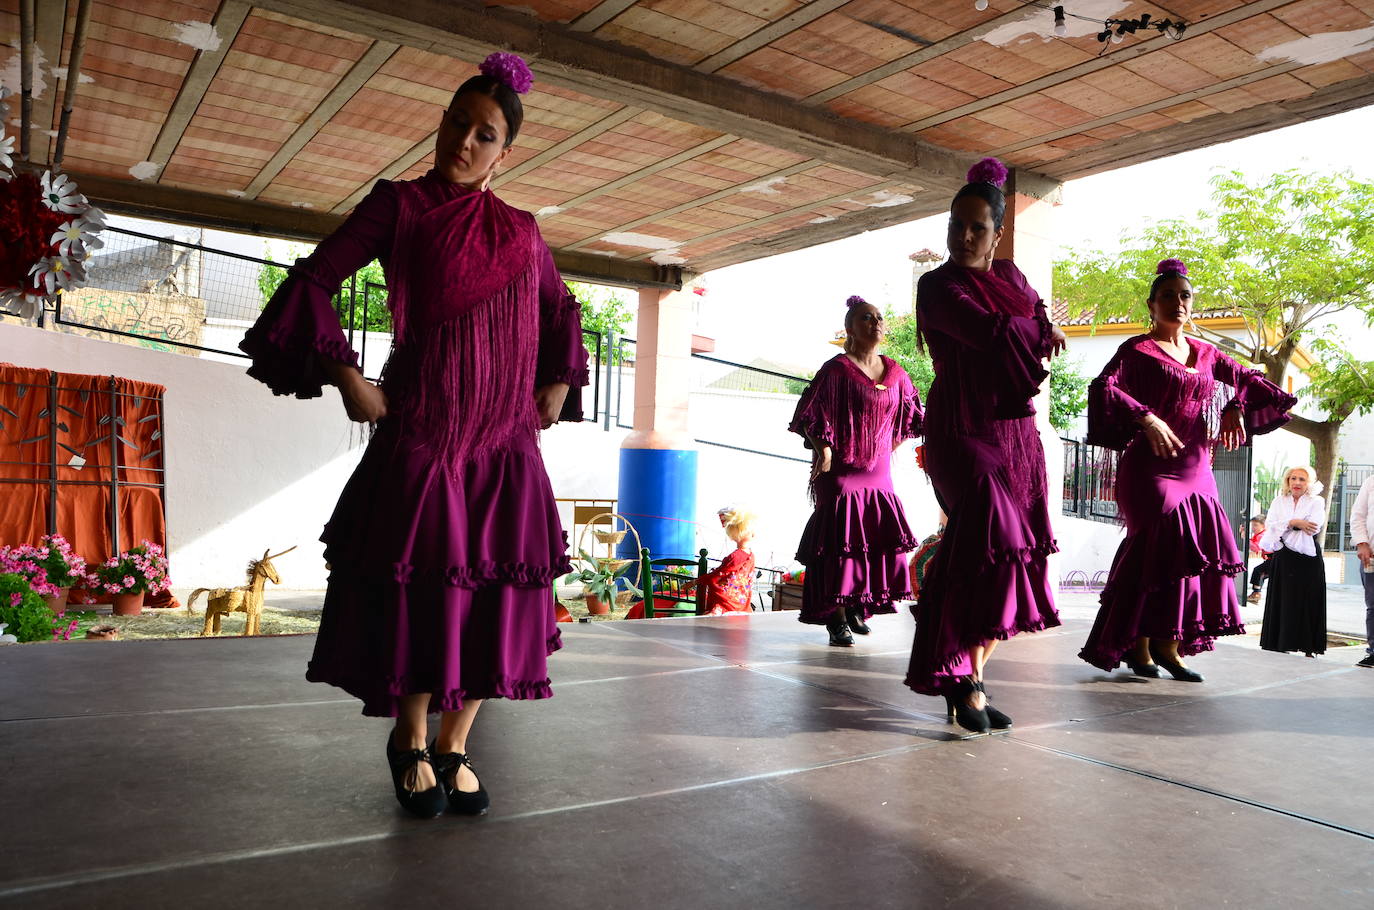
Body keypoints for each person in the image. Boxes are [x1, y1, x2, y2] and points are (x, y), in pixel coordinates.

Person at [239, 53, 588, 818]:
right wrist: (346, 375)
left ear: (506, 152)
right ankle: (410, 739)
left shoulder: (525, 232)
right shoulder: (397, 205)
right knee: (424, 595)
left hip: (503, 443)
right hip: (426, 432)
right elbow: (313, 280)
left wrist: (557, 385)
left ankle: (456, 745)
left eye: (484, 134)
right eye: (456, 123)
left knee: (492, 596)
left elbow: (562, 310)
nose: (464, 141)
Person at [903, 157, 1066, 734]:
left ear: (998, 234)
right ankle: (956, 676)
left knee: (1009, 559)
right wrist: (1041, 330)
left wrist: (1043, 326)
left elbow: (1036, 319)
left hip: (1017, 436)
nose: (964, 236)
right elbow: (996, 333)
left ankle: (970, 681)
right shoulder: (938, 285)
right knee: (994, 537)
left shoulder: (1014, 276)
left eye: (977, 227)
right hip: (961, 429)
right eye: (956, 225)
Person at [1079, 259, 1295, 681]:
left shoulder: (1208, 353)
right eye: (1167, 296)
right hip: (1149, 465)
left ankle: (1169, 646)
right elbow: (1103, 387)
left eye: (1184, 296)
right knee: (1157, 546)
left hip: (1197, 462)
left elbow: (1251, 379)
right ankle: (1138, 645)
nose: (1177, 302)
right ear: (1151, 305)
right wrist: (1146, 417)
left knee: (1194, 551)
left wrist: (1234, 406)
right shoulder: (1137, 350)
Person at [789, 295, 923, 647]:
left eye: (879, 317)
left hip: (878, 471)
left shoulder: (896, 372)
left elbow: (911, 417)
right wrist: (826, 451)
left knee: (873, 538)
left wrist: (885, 447)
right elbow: (809, 414)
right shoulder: (836, 369)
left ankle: (855, 608)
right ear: (850, 328)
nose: (875, 323)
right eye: (866, 318)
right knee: (839, 541)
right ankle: (836, 617)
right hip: (841, 471)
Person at [1259, 466, 1328, 658]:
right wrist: (1294, 522)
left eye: (1302, 479)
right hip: (1284, 556)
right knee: (1283, 599)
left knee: (1309, 599)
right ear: (1288, 481)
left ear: (1309, 483)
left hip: (1308, 558)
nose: (1297, 483)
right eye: (1293, 478)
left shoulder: (1317, 501)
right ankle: (1280, 643)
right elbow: (1271, 526)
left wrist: (1286, 524)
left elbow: (1313, 526)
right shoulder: (1278, 501)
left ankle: (1308, 647)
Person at [693, 507, 757, 614]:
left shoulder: (734, 557)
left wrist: (695, 581)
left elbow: (715, 577)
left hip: (726, 606)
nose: (753, 534)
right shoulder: (751, 555)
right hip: (741, 605)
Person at [1351, 474, 1374, 668]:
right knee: (1373, 605)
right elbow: (1358, 515)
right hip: (1371, 555)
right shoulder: (1371, 482)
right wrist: (1362, 543)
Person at [1247, 516, 1271, 604]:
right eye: (1252, 525)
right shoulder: (1259, 534)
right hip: (1270, 559)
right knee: (1261, 573)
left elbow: (1256, 548)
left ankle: (1256, 593)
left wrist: (1245, 539)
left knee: (1258, 571)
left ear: (1264, 526)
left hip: (1273, 559)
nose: (1253, 528)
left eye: (1255, 525)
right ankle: (1256, 593)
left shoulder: (1262, 535)